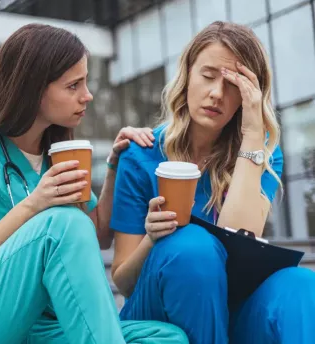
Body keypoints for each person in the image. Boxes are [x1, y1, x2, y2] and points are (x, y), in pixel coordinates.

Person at [0, 23, 188, 344]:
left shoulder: (57, 155)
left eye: (85, 83)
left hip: (39, 326)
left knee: (166, 338)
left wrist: (115, 165)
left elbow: (98, 235)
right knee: (62, 221)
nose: (87, 95)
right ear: (33, 89)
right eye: (73, 85)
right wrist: (36, 204)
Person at [109, 21, 315, 344]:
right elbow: (122, 280)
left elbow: (238, 236)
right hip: (157, 311)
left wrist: (251, 137)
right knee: (192, 248)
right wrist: (152, 238)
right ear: (187, 75)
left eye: (233, 85)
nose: (217, 94)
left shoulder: (262, 154)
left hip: (230, 311)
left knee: (301, 286)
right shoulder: (140, 153)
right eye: (207, 76)